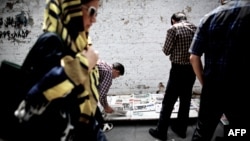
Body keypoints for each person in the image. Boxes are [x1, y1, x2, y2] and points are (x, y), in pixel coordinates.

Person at [14, 0, 107, 141]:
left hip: (81, 129)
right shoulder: (51, 41)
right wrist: (83, 65)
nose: (94, 19)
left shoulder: (77, 44)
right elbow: (39, 94)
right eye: (92, 12)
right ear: (72, 9)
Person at [189, 0, 250, 141]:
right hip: (242, 88)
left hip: (213, 87)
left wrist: (205, 84)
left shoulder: (209, 17)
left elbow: (193, 57)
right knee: (240, 131)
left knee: (203, 131)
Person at [149, 12, 197, 141]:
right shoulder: (195, 28)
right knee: (185, 101)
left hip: (177, 70)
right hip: (192, 69)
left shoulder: (173, 29)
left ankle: (161, 132)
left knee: (168, 102)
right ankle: (181, 130)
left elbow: (166, 51)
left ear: (173, 20)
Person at [96, 60, 125, 131]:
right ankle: (101, 125)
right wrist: (106, 107)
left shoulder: (104, 63)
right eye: (118, 76)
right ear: (117, 71)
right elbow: (102, 95)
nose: (116, 77)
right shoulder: (109, 74)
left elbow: (99, 84)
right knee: (92, 104)